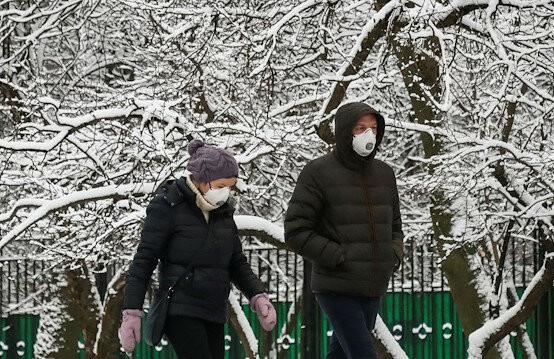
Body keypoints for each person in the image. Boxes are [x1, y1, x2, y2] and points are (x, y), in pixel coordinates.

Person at [118, 139, 277, 358]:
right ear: (202, 180)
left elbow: (236, 262)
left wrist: (257, 295)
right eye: (221, 186)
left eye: (230, 187)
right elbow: (144, 260)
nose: (225, 192)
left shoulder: (222, 214)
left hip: (213, 308)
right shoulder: (168, 205)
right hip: (181, 307)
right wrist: (131, 312)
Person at [284, 102, 404, 359]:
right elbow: (296, 230)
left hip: (373, 286)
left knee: (340, 355)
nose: (368, 134)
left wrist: (391, 254)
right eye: (361, 128)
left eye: (373, 128)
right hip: (336, 285)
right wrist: (337, 256)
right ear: (345, 131)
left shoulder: (385, 174)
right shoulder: (318, 172)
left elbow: (395, 225)